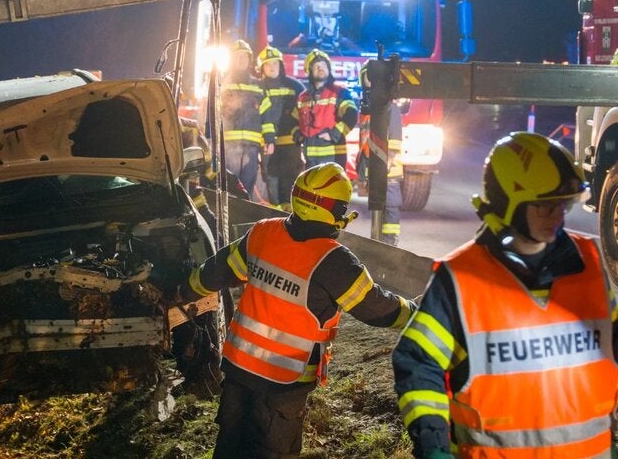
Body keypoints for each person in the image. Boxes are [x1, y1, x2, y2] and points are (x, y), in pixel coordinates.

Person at [392, 132, 618, 459]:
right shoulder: (461, 279)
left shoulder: (591, 263)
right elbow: (418, 360)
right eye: (544, 205)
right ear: (507, 204)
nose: (557, 216)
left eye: (562, 204)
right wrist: (433, 445)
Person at [181, 162, 417, 459]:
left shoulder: (263, 233)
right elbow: (376, 308)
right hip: (283, 382)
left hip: (239, 370)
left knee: (230, 445)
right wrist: (418, 315)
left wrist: (179, 292)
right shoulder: (335, 261)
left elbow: (214, 273)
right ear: (335, 210)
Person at [357, 64, 405, 246]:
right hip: (374, 170)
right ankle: (379, 245)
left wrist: (386, 164)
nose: (370, 81)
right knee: (378, 209)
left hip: (388, 171)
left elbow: (394, 142)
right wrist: (362, 173)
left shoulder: (389, 107)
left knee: (390, 209)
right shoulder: (368, 108)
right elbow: (364, 144)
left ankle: (390, 245)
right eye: (367, 77)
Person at [221, 39, 274, 199]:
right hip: (228, 147)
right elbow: (213, 114)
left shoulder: (258, 86)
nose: (241, 60)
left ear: (249, 60)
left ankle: (243, 221)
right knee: (229, 188)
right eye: (237, 56)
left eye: (244, 57)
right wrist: (210, 139)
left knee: (247, 188)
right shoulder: (222, 84)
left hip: (251, 147)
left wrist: (270, 139)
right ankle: (228, 221)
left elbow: (267, 115)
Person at [292, 49, 358, 169]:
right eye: (316, 66)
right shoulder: (303, 98)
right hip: (310, 160)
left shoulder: (339, 93)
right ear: (309, 72)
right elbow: (292, 119)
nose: (320, 68)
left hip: (334, 157)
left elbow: (351, 114)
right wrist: (297, 134)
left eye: (323, 65)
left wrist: (334, 134)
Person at [255, 45, 304, 209]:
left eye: (275, 63)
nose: (272, 67)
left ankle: (289, 215)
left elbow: (305, 110)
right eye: (268, 64)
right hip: (268, 145)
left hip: (291, 143)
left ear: (281, 65)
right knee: (271, 180)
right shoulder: (258, 87)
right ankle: (275, 216)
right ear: (262, 68)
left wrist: (302, 131)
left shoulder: (295, 87)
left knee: (290, 180)